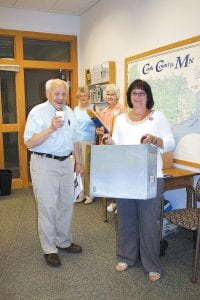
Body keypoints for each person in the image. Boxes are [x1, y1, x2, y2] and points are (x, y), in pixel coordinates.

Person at [103, 79, 175, 281]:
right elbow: (117, 146)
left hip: (151, 176)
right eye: (134, 93)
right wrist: (110, 142)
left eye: (142, 93)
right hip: (125, 176)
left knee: (148, 221)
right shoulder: (120, 119)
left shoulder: (157, 117)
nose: (138, 97)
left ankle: (152, 264)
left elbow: (170, 143)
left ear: (148, 96)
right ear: (129, 97)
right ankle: (126, 256)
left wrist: (154, 139)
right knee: (125, 219)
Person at [24, 79, 84, 268]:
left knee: (66, 204)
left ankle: (63, 241)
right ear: (47, 94)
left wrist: (79, 162)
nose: (60, 97)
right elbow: (29, 143)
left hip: (66, 163)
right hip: (44, 163)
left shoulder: (70, 111)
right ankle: (50, 249)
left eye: (63, 93)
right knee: (47, 207)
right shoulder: (37, 112)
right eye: (56, 93)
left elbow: (75, 139)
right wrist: (51, 128)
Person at [96, 84, 126, 213]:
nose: (110, 97)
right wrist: (99, 131)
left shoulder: (122, 109)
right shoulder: (104, 111)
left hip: (116, 147)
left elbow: (123, 130)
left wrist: (110, 132)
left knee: (118, 176)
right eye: (108, 94)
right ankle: (113, 201)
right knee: (109, 176)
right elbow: (102, 128)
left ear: (117, 96)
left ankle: (119, 203)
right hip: (105, 147)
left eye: (112, 94)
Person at [74, 86, 96, 204]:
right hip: (77, 141)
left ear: (88, 97)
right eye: (81, 96)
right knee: (79, 167)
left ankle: (89, 194)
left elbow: (99, 124)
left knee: (88, 169)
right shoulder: (76, 110)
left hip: (89, 141)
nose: (83, 98)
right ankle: (81, 193)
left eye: (85, 95)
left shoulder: (93, 109)